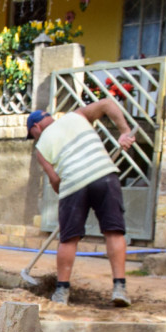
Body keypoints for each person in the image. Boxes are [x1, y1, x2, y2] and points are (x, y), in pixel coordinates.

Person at [28, 98, 136, 307]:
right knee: (114, 232)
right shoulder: (77, 115)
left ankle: (61, 292)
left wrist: (64, 188)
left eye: (31, 135)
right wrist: (124, 131)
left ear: (36, 127)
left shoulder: (40, 147)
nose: (32, 138)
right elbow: (107, 103)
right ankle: (119, 288)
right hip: (104, 175)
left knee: (69, 239)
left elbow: (56, 181)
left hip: (73, 185)